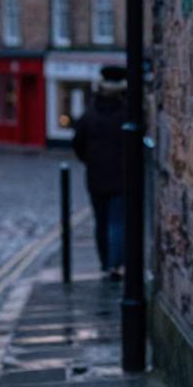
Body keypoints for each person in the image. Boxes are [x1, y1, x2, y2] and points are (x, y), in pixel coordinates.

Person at [71, 66, 127, 279]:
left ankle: (105, 264)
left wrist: (91, 160)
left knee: (101, 222)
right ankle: (115, 264)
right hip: (121, 177)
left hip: (96, 177)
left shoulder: (89, 115)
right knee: (117, 222)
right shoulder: (127, 114)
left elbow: (77, 144)